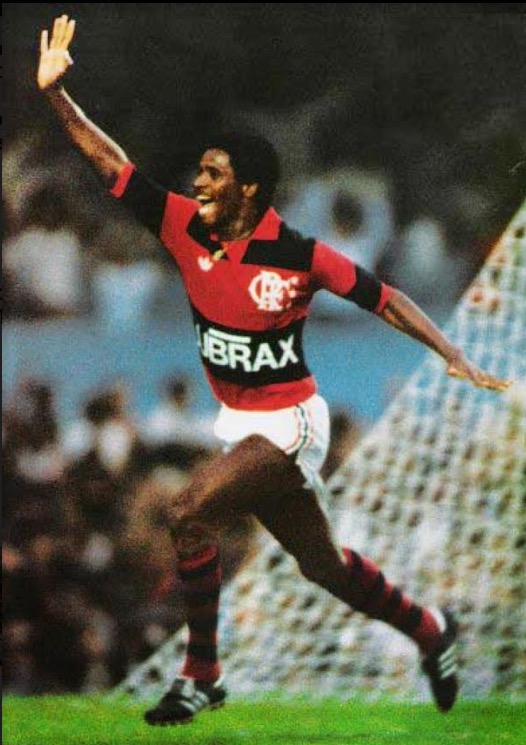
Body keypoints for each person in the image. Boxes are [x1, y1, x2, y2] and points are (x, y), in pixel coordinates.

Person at [37, 15, 510, 726]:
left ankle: (201, 674)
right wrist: (56, 94)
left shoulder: (297, 255)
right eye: (200, 170)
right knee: (324, 567)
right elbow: (111, 165)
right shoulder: (182, 226)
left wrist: (451, 352)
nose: (198, 181)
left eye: (214, 173)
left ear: (250, 189)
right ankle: (429, 629)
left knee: (187, 509)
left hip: (292, 423)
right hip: (242, 423)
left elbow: (385, 297)